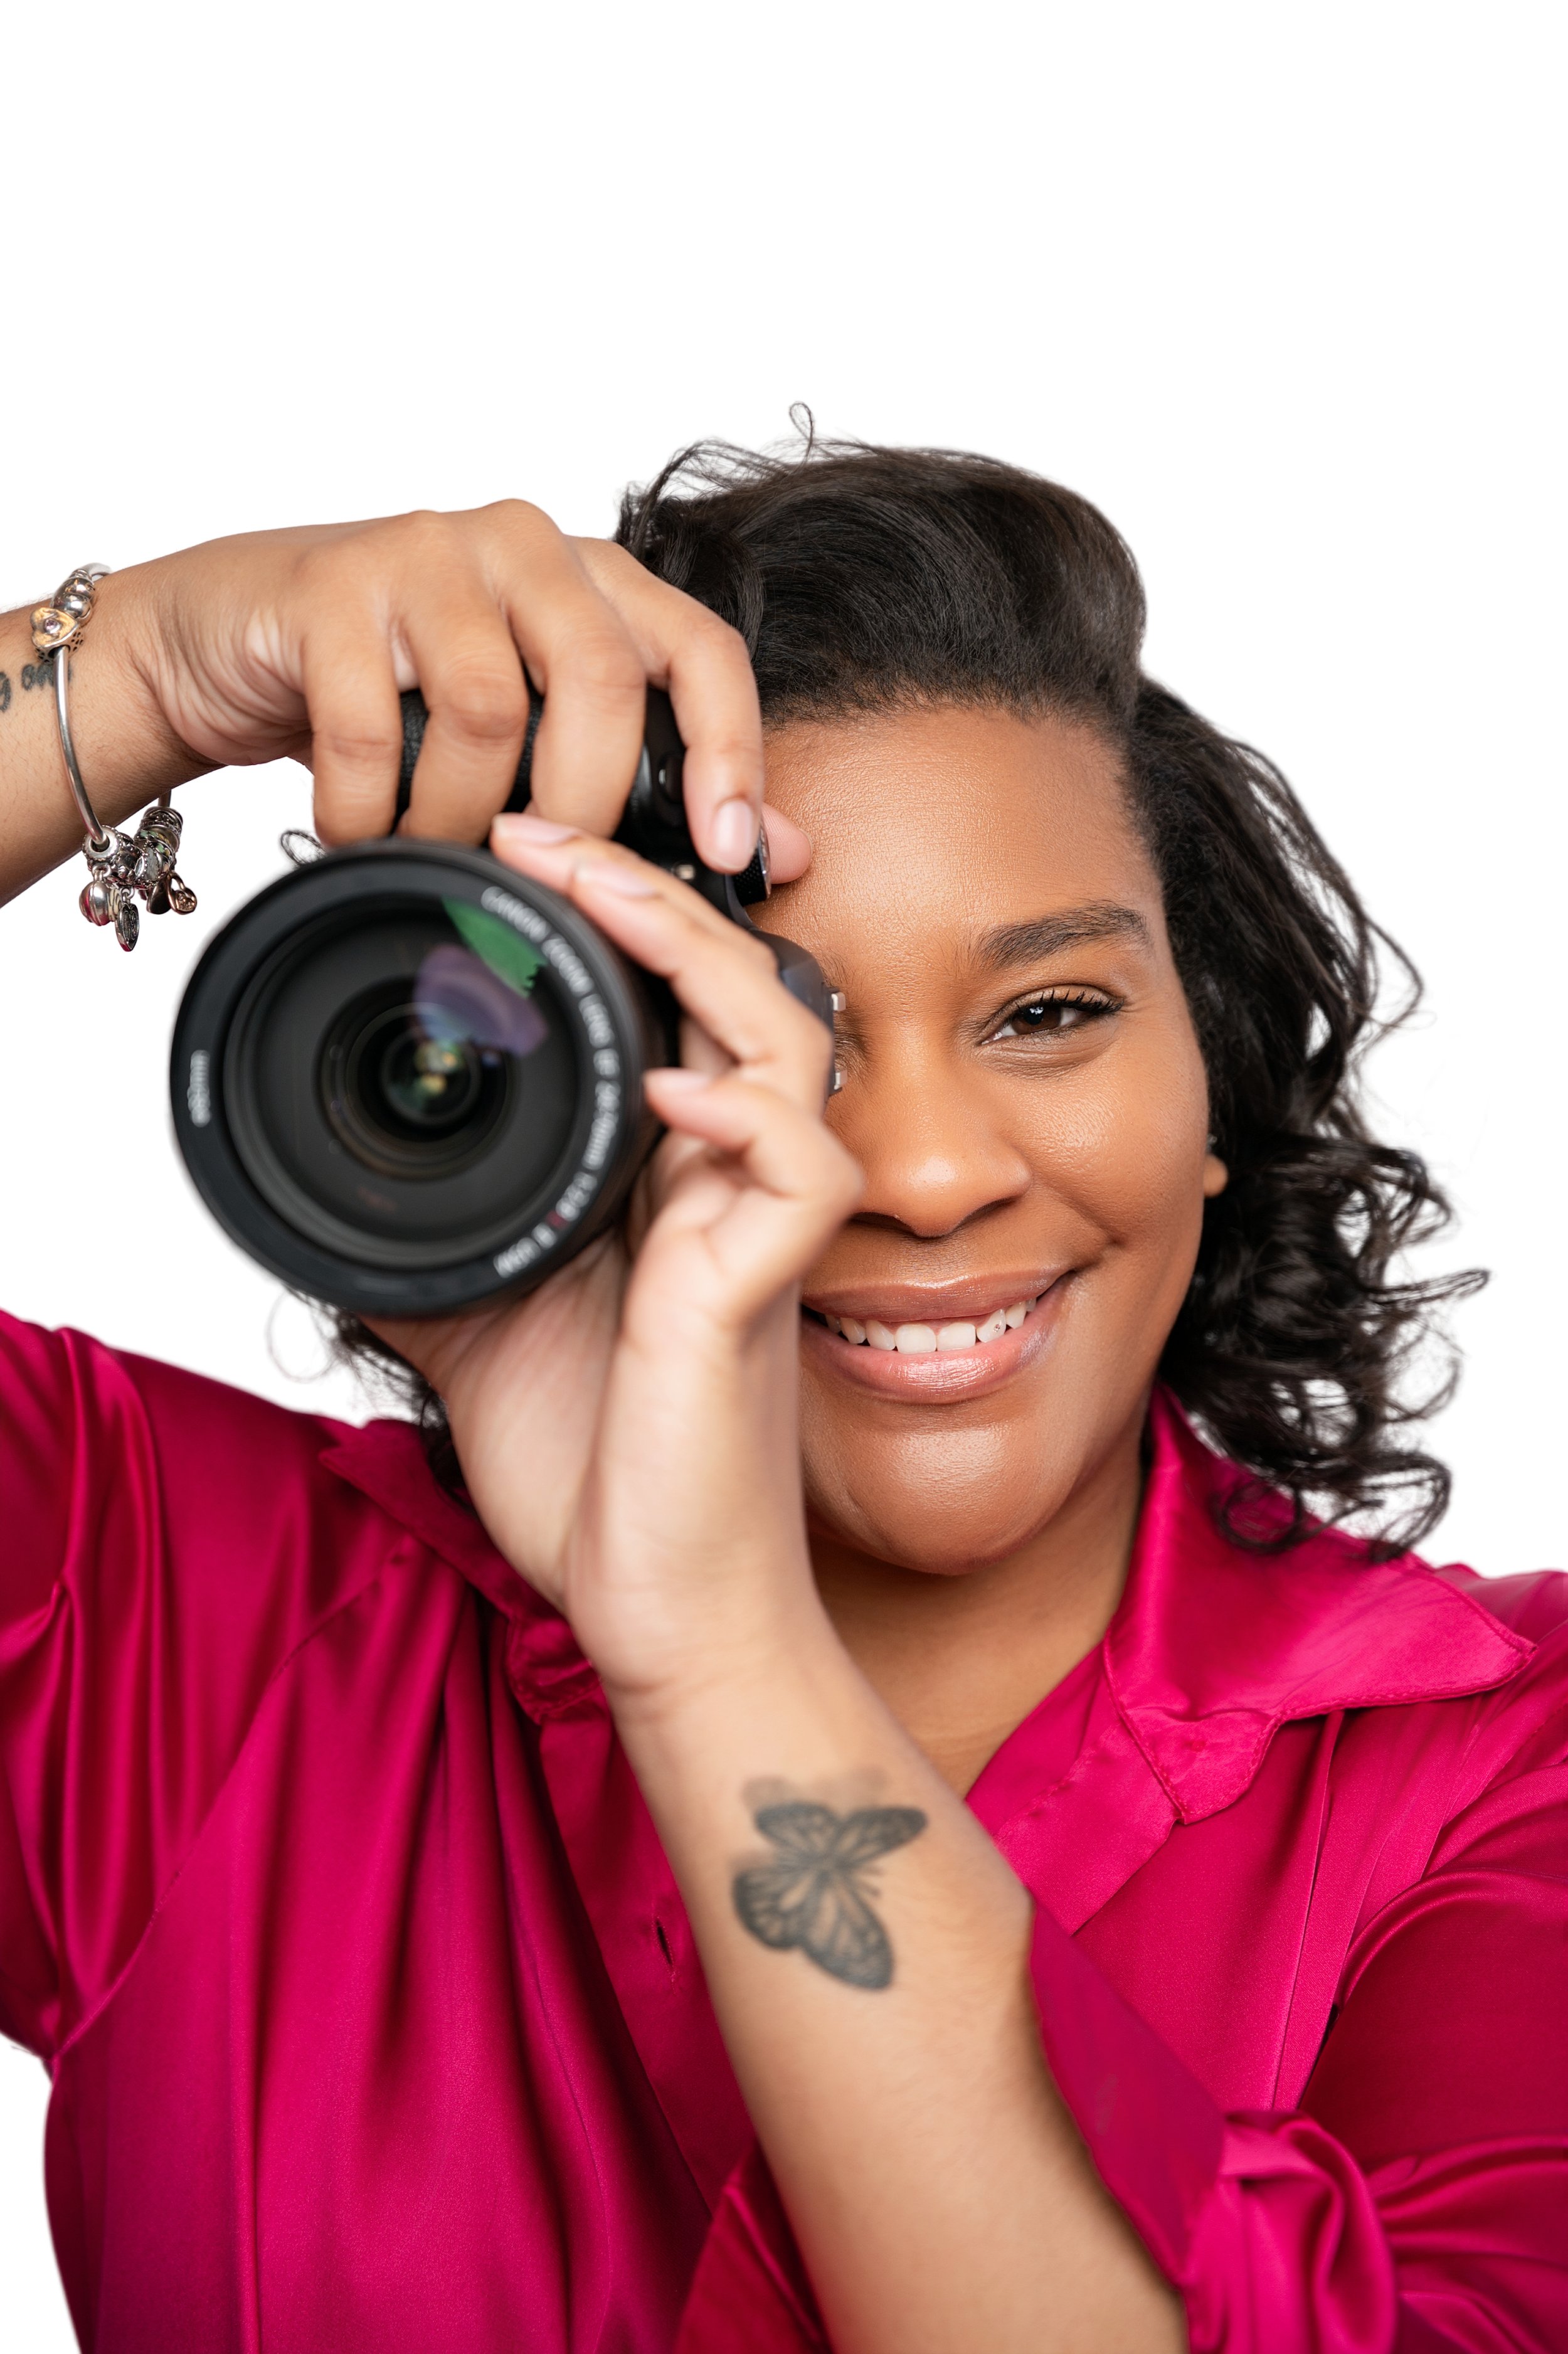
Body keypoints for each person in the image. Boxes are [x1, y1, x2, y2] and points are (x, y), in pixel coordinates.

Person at [0, 440, 1562, 2354]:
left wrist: (719, 1650)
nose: (914, 1173)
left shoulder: (1500, 1770)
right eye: (773, 1023)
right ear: (544, 1085)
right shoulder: (188, 1626)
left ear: (1213, 1083)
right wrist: (142, 669)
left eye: (1049, 1012)